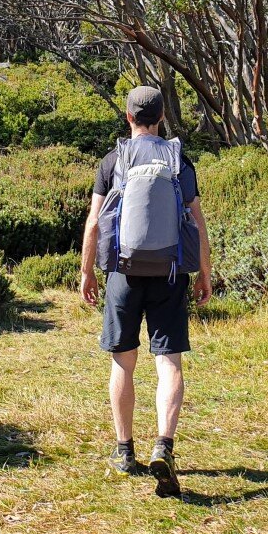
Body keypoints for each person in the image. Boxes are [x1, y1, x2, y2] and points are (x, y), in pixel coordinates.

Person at [80, 85, 212, 498]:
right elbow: (198, 223)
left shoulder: (113, 160)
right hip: (170, 272)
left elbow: (94, 223)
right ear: (161, 118)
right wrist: (205, 273)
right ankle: (164, 445)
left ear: (128, 118)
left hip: (122, 272)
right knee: (168, 360)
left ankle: (124, 451)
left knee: (123, 361)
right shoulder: (178, 160)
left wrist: (87, 272)